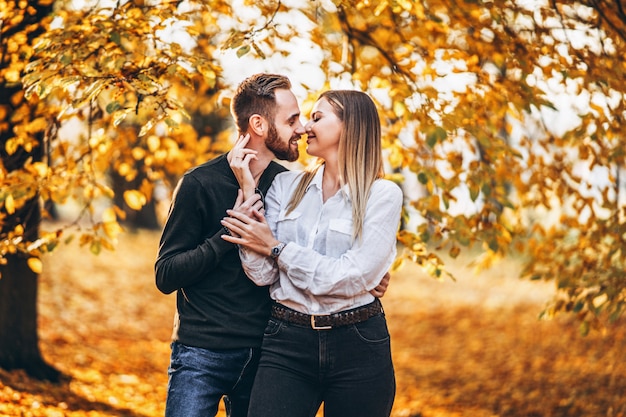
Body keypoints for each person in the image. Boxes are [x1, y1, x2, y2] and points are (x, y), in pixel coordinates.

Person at [155, 75, 390, 417]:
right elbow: (166, 274)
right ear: (259, 124)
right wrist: (231, 232)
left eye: (304, 118)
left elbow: (321, 249)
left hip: (267, 348)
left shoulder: (287, 185)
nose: (301, 128)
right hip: (203, 351)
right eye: (292, 119)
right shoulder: (199, 183)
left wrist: (370, 276)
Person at [221, 90, 403, 417]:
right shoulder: (285, 188)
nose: (304, 127)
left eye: (316, 118)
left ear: (350, 126)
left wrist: (278, 249)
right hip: (286, 342)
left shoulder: (383, 195)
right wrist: (248, 189)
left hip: (359, 344)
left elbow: (354, 276)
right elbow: (263, 274)